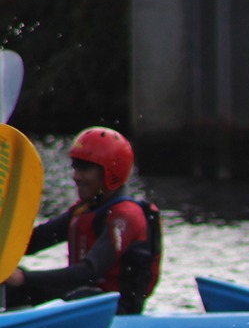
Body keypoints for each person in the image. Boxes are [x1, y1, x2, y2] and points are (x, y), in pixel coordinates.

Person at [3, 127, 162, 314]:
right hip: (81, 300)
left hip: (116, 309)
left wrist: (24, 278)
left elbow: (90, 271)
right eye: (75, 167)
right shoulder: (84, 211)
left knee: (32, 283)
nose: (76, 176)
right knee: (7, 285)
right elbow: (30, 242)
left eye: (85, 168)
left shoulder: (126, 216)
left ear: (110, 172)